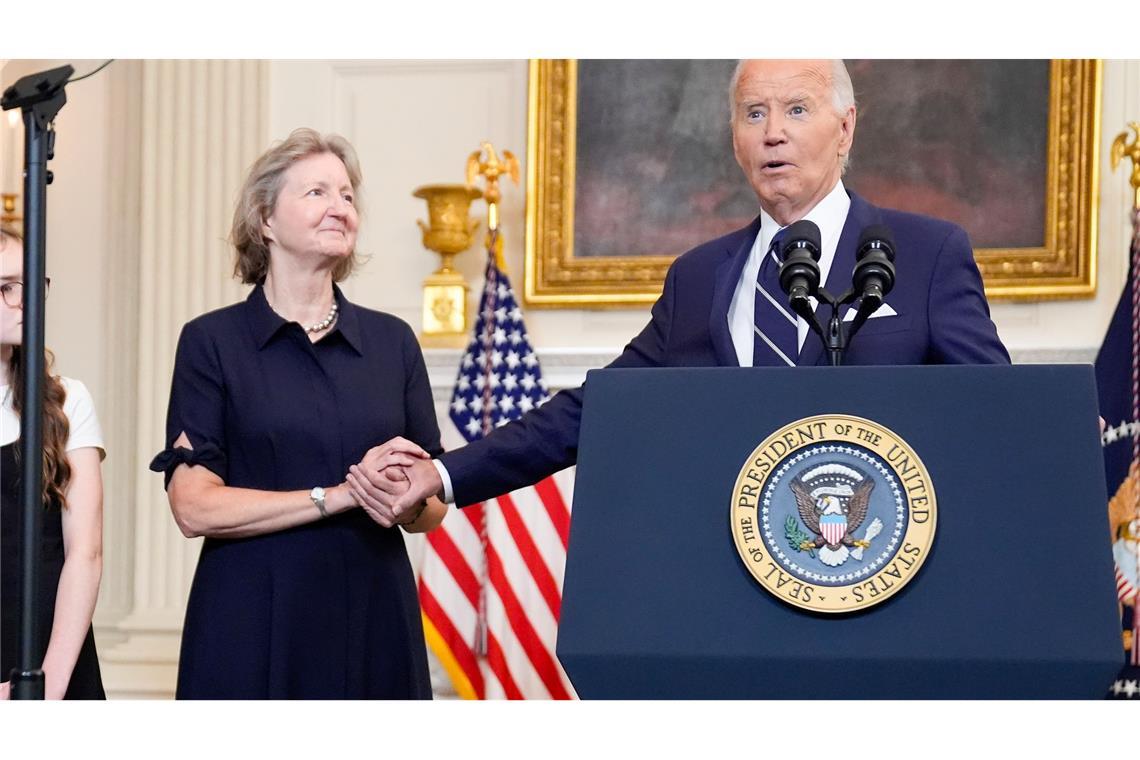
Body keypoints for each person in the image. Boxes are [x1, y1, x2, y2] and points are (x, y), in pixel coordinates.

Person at [351, 59, 1010, 524]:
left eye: (797, 110)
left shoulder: (926, 254)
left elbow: (994, 413)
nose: (772, 131)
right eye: (754, 114)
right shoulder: (698, 277)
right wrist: (442, 475)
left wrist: (1047, 440)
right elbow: (597, 408)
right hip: (734, 575)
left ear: (845, 128)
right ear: (735, 140)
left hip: (883, 571)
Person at [148, 128, 446, 699]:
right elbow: (193, 507)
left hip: (373, 615)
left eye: (348, 196)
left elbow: (431, 510)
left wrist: (407, 496)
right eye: (317, 193)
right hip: (251, 616)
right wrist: (339, 495)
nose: (340, 207)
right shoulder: (212, 342)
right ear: (264, 219)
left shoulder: (393, 342)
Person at [0, 227, 106, 699]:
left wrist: (45, 689)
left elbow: (85, 552)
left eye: (33, 285)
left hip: (49, 649)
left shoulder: (66, 401)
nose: (25, 301)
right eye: (6, 288)